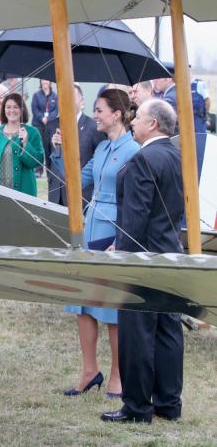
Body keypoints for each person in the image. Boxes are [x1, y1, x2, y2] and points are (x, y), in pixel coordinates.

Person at [101, 99, 185, 424]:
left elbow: (136, 218)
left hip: (142, 256)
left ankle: (136, 408)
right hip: (169, 251)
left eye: (138, 118)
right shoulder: (177, 155)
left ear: (153, 125)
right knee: (168, 329)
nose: (133, 121)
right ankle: (168, 403)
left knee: (136, 332)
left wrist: (121, 251)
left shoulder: (143, 159)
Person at [51, 88, 138, 398]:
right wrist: (60, 152)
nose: (96, 115)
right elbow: (75, 181)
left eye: (100, 109)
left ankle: (117, 376)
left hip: (115, 233)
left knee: (111, 308)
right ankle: (90, 371)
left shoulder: (133, 150)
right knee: (82, 304)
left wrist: (121, 238)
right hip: (90, 228)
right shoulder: (101, 149)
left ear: (116, 114)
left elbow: (135, 202)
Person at [47, 84, 107, 205]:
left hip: (82, 195)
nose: (66, 100)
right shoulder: (51, 126)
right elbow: (48, 161)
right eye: (62, 97)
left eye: (71, 96)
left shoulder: (94, 127)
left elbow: (99, 163)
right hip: (56, 194)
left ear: (82, 100)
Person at [0, 92, 43, 195]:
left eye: (16, 107)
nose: (11, 110)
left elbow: (37, 162)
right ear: (4, 109)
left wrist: (25, 143)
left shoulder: (32, 132)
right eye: (8, 107)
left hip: (24, 193)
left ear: (22, 109)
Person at [31, 79, 59, 176]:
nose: (45, 84)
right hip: (38, 124)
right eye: (43, 82)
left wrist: (48, 118)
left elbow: (56, 110)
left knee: (48, 147)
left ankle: (49, 170)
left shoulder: (55, 96)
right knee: (39, 147)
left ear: (50, 83)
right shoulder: (36, 95)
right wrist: (42, 117)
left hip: (49, 125)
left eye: (46, 82)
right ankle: (38, 170)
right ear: (40, 83)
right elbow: (34, 109)